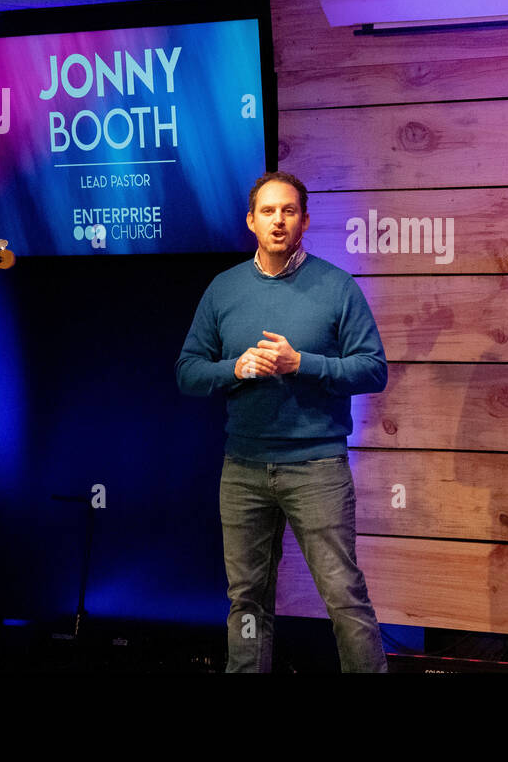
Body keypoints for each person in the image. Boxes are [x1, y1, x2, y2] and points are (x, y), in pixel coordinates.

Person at [175, 171, 389, 672]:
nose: (278, 220)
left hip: (316, 467)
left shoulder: (337, 286)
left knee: (343, 595)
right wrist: (235, 368)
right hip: (243, 468)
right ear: (251, 221)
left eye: (289, 211)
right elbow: (187, 372)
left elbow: (373, 369)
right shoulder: (223, 289)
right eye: (268, 211)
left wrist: (303, 364)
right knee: (245, 600)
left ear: (305, 221)